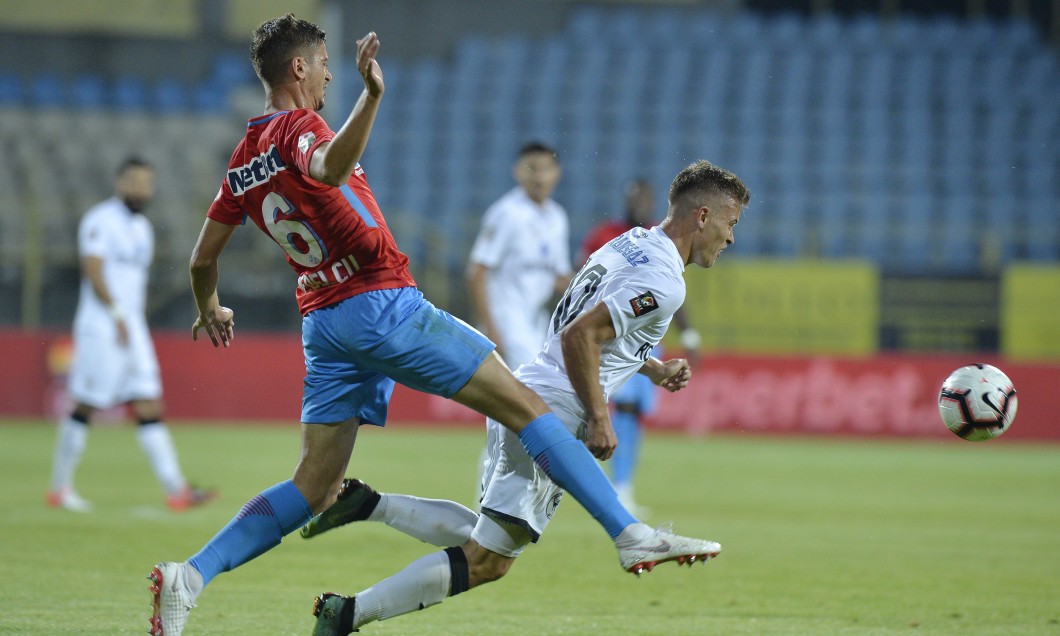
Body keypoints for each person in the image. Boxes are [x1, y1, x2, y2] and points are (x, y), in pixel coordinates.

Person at [147, 16, 721, 636]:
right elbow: (332, 168)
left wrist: (209, 305)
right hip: (381, 302)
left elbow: (202, 260)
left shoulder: (242, 159)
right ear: (298, 69)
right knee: (531, 410)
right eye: (322, 66)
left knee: (313, 485)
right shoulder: (298, 128)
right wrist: (371, 95)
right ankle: (629, 533)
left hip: (323, 320)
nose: (328, 76)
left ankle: (192, 574)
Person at [304, 159, 750, 635]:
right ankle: (346, 613)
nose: (731, 237)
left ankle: (368, 505)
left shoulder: (632, 243)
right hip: (555, 410)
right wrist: (599, 417)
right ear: (702, 216)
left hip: (527, 389)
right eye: (731, 222)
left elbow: (587, 320)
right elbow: (581, 335)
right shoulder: (665, 282)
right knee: (487, 561)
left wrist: (654, 367)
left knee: (489, 537)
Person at [46, 157, 216, 514]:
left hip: (132, 326)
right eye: (134, 181)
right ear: (119, 182)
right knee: (86, 403)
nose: (141, 189)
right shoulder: (100, 220)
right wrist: (118, 312)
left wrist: (130, 318)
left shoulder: (142, 228)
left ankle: (177, 490)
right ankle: (59, 488)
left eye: (146, 183)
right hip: (102, 325)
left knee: (149, 402)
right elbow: (93, 270)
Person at [578, 178, 704, 515]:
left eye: (645, 199)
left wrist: (688, 334)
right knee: (595, 408)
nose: (639, 204)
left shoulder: (659, 243)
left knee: (631, 412)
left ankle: (622, 487)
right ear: (625, 199)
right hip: (607, 337)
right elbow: (583, 283)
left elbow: (671, 294)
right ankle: (592, 485)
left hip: (646, 343)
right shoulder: (607, 236)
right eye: (634, 198)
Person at [467, 141, 572, 371]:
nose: (540, 177)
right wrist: (491, 327)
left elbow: (559, 276)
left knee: (523, 396)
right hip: (507, 320)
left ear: (557, 173)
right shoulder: (507, 213)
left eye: (546, 168)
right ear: (517, 171)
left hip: (536, 321)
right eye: (531, 168)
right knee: (531, 392)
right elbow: (477, 272)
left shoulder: (557, 217)